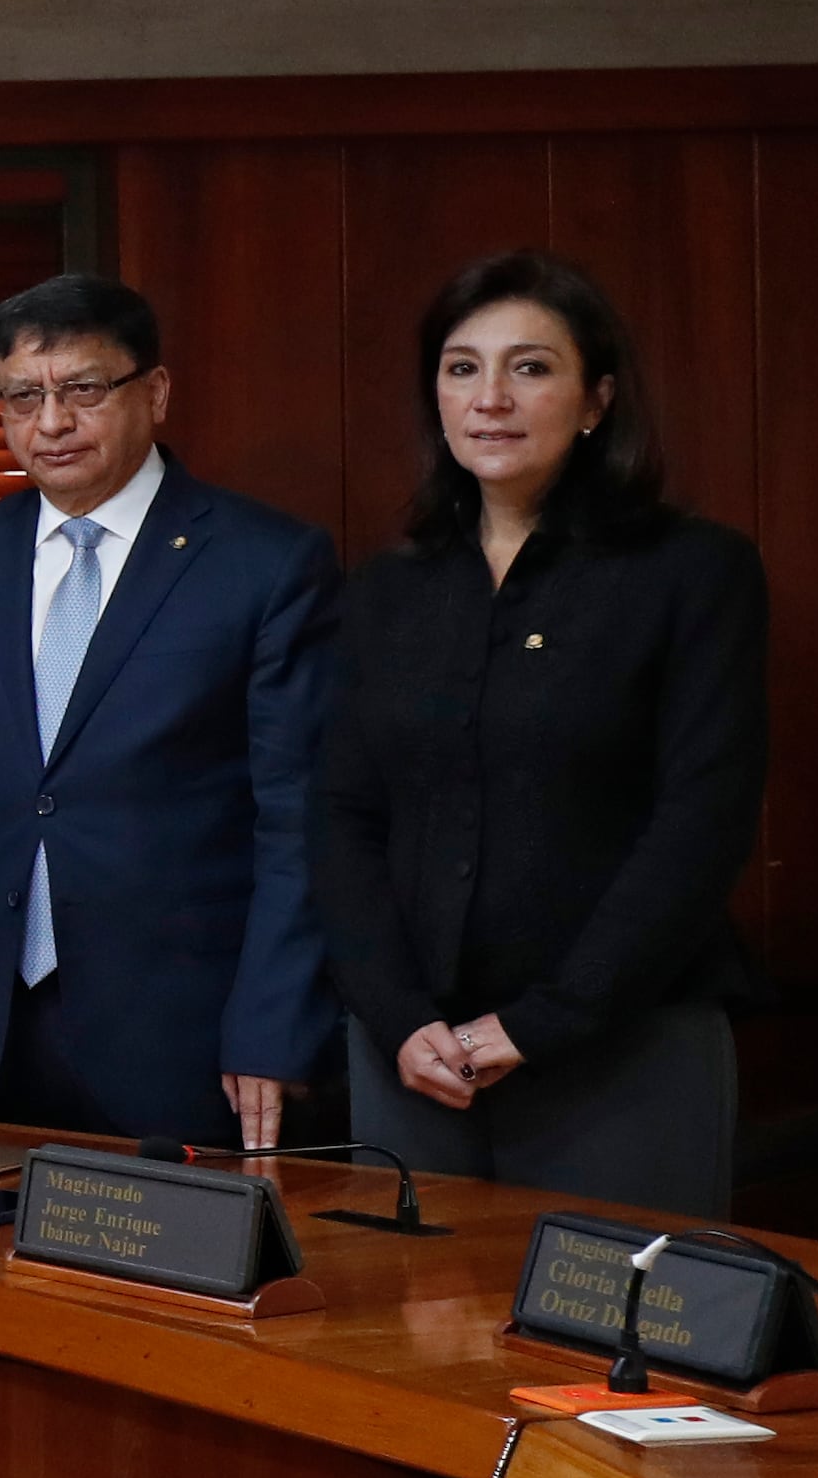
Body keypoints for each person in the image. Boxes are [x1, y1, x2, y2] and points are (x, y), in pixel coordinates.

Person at [316, 253, 768, 1215]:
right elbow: (342, 816)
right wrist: (397, 1018)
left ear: (596, 397)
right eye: (461, 367)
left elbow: (704, 817)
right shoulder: (386, 591)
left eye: (530, 367)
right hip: (414, 1061)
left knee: (615, 1350)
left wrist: (544, 1023)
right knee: (406, 1350)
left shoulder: (694, 573)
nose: (491, 398)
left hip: (621, 1048)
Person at [0, 274, 337, 1147]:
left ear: (153, 391)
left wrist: (273, 1024)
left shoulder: (264, 562)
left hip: (188, 1040)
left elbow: (297, 819)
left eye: (83, 390)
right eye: (22, 397)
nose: (52, 424)